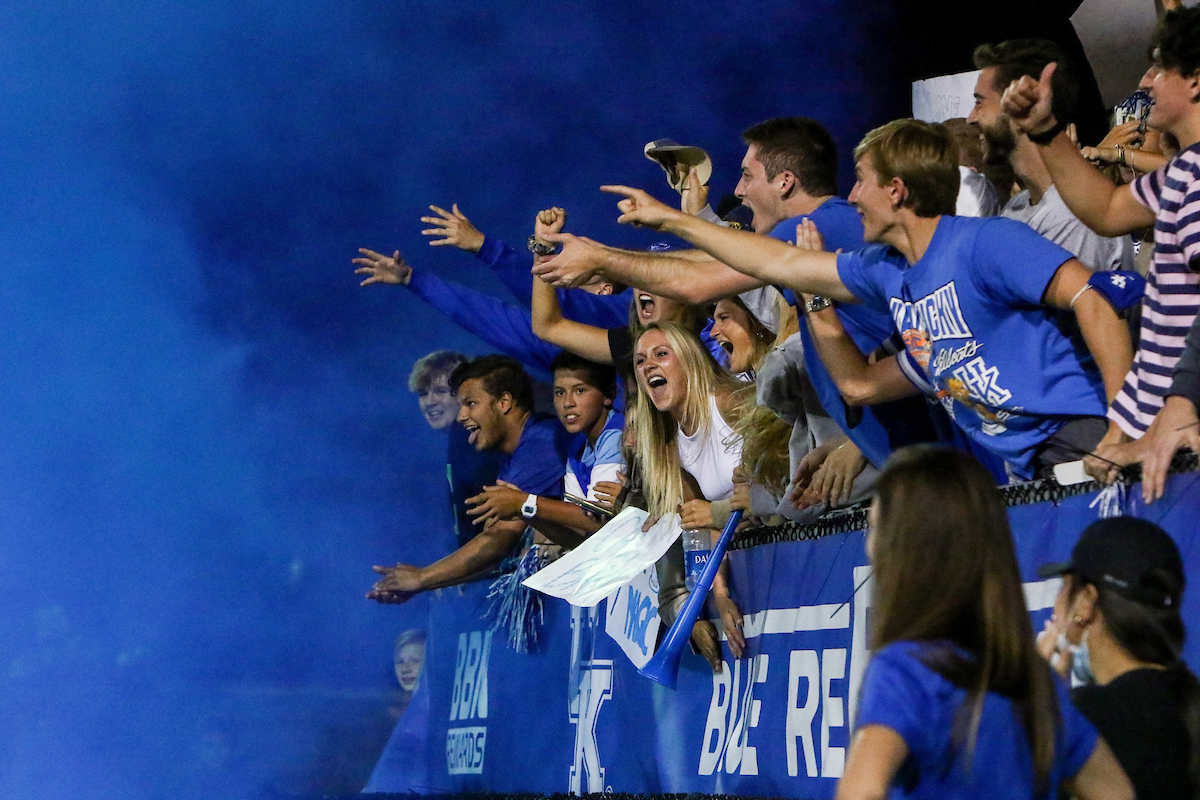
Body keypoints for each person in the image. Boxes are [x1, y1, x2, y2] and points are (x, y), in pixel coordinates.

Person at [594, 119, 1135, 481]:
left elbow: (1095, 298)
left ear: (896, 190)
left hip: (1079, 436)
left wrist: (1124, 425)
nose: (852, 197)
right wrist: (814, 303)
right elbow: (856, 383)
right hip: (1020, 467)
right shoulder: (888, 274)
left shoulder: (983, 243)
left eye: (862, 181)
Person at [837, 446, 1133, 800]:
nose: (870, 547)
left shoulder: (904, 671)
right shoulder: (1037, 681)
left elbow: (861, 792)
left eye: (875, 530)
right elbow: (1116, 792)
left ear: (904, 549)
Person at [999, 7, 1200, 480]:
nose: (1146, 82)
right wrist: (1047, 133)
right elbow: (1107, 209)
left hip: (1184, 428)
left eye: (1160, 67)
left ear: (1195, 80)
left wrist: (1183, 402)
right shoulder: (1182, 172)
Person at [368, 355, 571, 603]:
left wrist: (423, 577)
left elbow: (498, 540)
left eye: (471, 404)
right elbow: (495, 553)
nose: (462, 415)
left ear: (504, 402)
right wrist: (424, 583)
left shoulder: (540, 443)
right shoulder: (513, 454)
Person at [1037, 517, 1199, 800]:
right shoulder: (1189, 702)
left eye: (1064, 588)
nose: (1056, 607)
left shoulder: (1087, 719)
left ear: (1087, 601)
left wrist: (1038, 706)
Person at [968, 39, 1135, 274]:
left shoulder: (1075, 216)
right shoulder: (1017, 208)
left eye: (979, 103)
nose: (971, 118)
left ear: (1020, 105)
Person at [465, 352, 625, 549]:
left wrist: (525, 502)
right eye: (559, 392)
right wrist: (528, 513)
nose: (567, 403)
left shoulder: (616, 435)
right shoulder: (577, 448)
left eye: (580, 391)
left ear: (609, 395)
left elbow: (600, 519)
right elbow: (580, 537)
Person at [407, 351, 503, 550]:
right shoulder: (457, 438)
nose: (430, 401)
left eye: (441, 391)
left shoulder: (469, 437)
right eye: (423, 394)